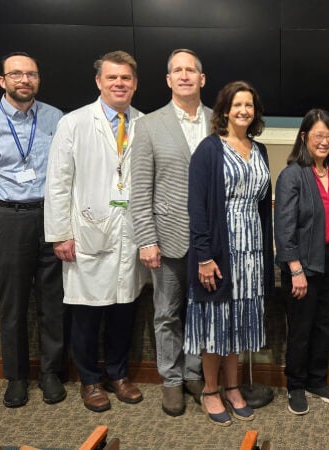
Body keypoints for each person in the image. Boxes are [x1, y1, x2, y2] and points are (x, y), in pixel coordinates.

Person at [44, 50, 147, 413]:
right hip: (86, 230)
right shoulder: (74, 123)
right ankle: (89, 380)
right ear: (99, 82)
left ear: (135, 84)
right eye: (112, 78)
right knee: (87, 313)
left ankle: (118, 374)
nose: (119, 83)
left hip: (129, 231)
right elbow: (57, 182)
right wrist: (60, 233)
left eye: (126, 78)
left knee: (123, 310)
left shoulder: (142, 123)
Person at [0, 52, 65, 408]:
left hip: (52, 216)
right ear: (2, 80)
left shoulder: (57, 118)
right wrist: (6, 210)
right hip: (9, 218)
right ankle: (17, 377)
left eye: (32, 74)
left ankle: (51, 373)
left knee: (53, 301)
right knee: (13, 303)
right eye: (17, 74)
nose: (25, 80)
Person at [184, 80, 274, 426]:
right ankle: (210, 390)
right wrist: (204, 257)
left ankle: (233, 387)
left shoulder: (260, 150)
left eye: (249, 105)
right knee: (215, 323)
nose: (243, 111)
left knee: (238, 324)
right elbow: (198, 209)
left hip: (251, 252)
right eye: (237, 105)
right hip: (220, 251)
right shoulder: (209, 150)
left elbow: (263, 206)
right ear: (223, 110)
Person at [130, 48, 209, 416]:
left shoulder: (217, 121)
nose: (184, 75)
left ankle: (195, 374)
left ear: (201, 79)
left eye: (190, 70)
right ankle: (172, 380)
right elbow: (140, 190)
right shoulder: (148, 125)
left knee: (201, 311)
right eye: (177, 70)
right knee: (167, 313)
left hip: (208, 241)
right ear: (168, 80)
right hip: (167, 236)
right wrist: (146, 239)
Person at [275, 108, 329, 416]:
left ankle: (317, 380)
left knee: (325, 325)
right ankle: (296, 385)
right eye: (318, 135)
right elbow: (284, 226)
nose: (325, 141)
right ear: (304, 137)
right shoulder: (292, 174)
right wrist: (295, 270)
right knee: (302, 327)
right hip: (302, 265)